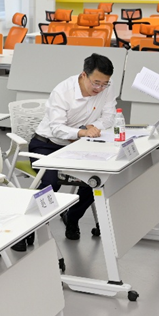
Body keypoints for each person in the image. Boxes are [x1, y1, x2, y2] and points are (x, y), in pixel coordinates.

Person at [27, 53, 117, 240]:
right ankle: (27, 229)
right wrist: (82, 132)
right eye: (96, 83)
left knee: (95, 180)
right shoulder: (63, 91)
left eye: (104, 84)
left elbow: (109, 118)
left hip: (78, 146)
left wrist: (91, 127)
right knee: (50, 184)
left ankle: (73, 218)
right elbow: (56, 129)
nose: (100, 88)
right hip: (47, 144)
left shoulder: (107, 87)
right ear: (84, 75)